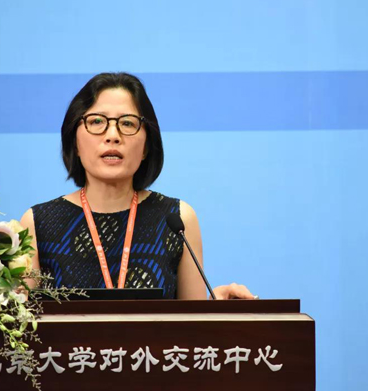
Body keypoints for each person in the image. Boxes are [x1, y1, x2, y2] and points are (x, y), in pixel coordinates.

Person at [20, 72, 255, 300]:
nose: (113, 135)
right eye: (97, 121)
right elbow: (23, 321)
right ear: (75, 142)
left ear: (146, 147)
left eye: (127, 123)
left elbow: (193, 321)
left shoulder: (177, 220)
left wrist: (218, 309)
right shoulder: (38, 224)